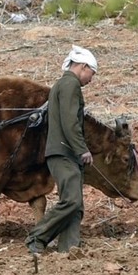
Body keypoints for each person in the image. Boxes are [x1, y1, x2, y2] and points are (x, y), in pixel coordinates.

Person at [25, 44, 97, 256]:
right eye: (92, 74)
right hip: (64, 153)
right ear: (83, 67)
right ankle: (37, 238)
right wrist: (82, 149)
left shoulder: (62, 84)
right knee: (72, 201)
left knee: (76, 206)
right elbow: (69, 121)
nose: (91, 80)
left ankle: (69, 248)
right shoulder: (70, 85)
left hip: (64, 153)